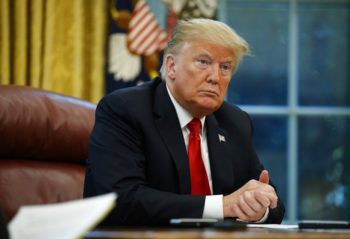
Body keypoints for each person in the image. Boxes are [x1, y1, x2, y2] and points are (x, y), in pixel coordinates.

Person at [84, 18, 285, 226]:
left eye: (225, 67)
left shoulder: (235, 122)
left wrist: (258, 208)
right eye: (203, 62)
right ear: (171, 66)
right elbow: (124, 201)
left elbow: (274, 204)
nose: (215, 77)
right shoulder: (125, 110)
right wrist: (223, 206)